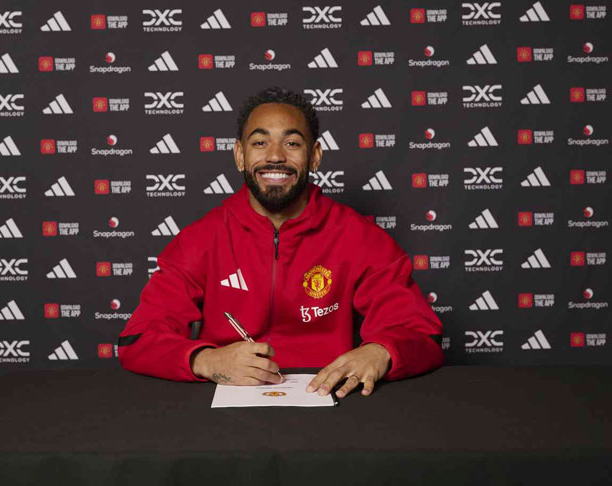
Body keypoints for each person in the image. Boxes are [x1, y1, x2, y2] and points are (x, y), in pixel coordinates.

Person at [118, 86, 444, 399]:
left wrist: (382, 351)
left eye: (292, 143)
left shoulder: (360, 237)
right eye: (260, 142)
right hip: (223, 406)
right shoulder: (201, 239)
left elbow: (421, 334)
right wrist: (203, 360)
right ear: (240, 155)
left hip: (329, 401)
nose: (275, 156)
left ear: (315, 156)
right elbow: (138, 339)